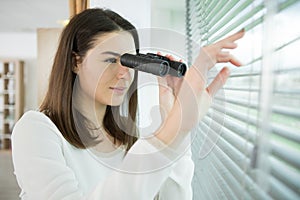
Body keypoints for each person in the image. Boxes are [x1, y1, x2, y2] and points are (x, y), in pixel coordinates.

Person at [11, 8, 245, 200]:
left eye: (129, 61)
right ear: (75, 62)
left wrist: (175, 118)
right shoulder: (36, 130)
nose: (125, 73)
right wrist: (173, 129)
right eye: (111, 60)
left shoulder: (131, 139)